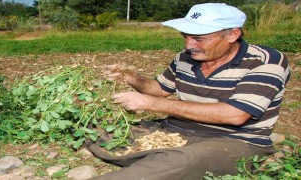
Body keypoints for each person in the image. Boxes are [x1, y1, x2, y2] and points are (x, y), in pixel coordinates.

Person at [87, 3, 290, 180]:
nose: (189, 45)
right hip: (174, 130)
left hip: (233, 140)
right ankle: (157, 161)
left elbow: (236, 114)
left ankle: (159, 163)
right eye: (185, 36)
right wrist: (130, 77)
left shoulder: (265, 61)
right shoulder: (185, 58)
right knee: (97, 131)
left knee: (177, 160)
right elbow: (158, 90)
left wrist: (150, 104)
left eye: (199, 38)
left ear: (232, 34)